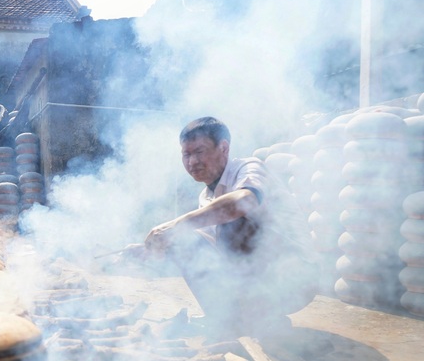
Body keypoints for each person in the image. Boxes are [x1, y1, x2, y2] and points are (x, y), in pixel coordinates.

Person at [126, 117, 317, 341]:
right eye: (186, 155)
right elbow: (204, 250)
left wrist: (176, 225)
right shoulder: (206, 197)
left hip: (295, 278)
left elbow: (243, 202)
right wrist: (152, 248)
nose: (192, 162)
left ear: (224, 148)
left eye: (199, 151)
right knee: (184, 240)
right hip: (263, 284)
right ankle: (235, 320)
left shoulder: (248, 168)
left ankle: (255, 316)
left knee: (233, 216)